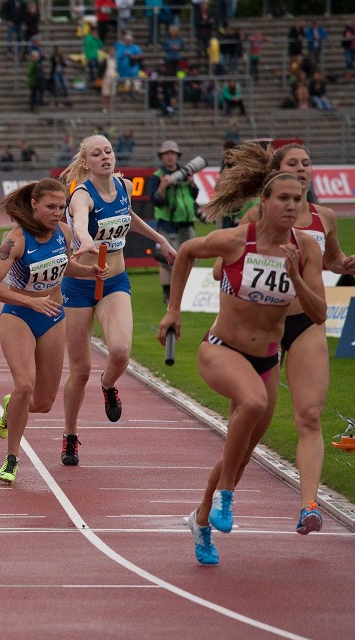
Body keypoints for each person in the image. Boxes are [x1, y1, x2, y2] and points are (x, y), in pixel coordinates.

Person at [159, 169, 325, 565]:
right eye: (282, 198)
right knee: (250, 404)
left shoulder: (305, 250)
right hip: (221, 350)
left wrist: (294, 279)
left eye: (297, 199)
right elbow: (185, 253)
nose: (290, 206)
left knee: (243, 452)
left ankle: (201, 518)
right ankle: (228, 498)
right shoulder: (236, 241)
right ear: (263, 203)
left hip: (268, 359)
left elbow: (318, 313)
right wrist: (173, 311)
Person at [210, 144, 355, 534]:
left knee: (309, 415)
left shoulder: (323, 218)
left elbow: (333, 260)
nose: (303, 169)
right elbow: (219, 267)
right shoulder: (259, 215)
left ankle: (309, 505)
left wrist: (346, 265)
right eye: (294, 164)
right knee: (250, 424)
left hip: (306, 321)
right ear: (277, 171)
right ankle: (221, 497)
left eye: (307, 164)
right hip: (261, 329)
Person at [58, 135, 177, 465]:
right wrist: (85, 241)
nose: (105, 157)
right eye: (97, 154)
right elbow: (80, 223)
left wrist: (160, 238)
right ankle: (70, 436)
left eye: (108, 151)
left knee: (121, 352)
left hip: (114, 282)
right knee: (78, 371)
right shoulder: (81, 196)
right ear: (87, 163)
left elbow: (128, 218)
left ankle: (108, 384)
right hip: (80, 285)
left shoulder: (123, 187)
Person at [0, 179, 104, 483]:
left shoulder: (62, 233)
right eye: (51, 207)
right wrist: (29, 301)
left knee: (44, 403)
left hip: (53, 317)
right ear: (34, 205)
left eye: (61, 207)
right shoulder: (15, 240)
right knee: (24, 384)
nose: (57, 213)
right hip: (19, 316)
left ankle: (12, 406)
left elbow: (61, 266)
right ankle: (12, 458)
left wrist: (88, 271)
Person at [148, 140, 200, 305]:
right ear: (162, 156)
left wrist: (192, 183)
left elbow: (194, 195)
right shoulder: (157, 176)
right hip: (167, 222)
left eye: (172, 153)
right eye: (166, 154)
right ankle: (168, 293)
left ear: (177, 155)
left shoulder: (184, 173)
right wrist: (163, 186)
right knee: (170, 261)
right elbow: (155, 201)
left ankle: (188, 292)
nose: (170, 156)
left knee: (192, 258)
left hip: (186, 222)